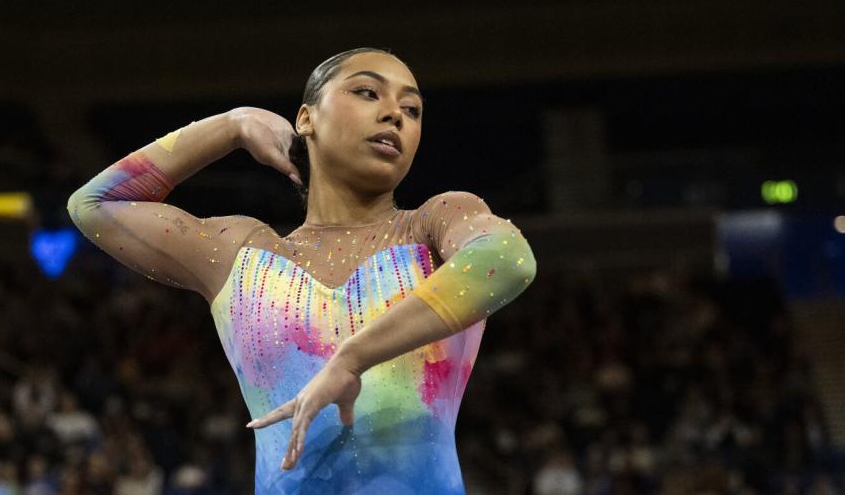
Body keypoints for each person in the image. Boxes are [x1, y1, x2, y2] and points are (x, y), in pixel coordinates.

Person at [67, 47, 537, 494]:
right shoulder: (240, 253)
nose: (395, 113)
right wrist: (233, 125)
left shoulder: (435, 224)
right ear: (306, 118)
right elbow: (93, 205)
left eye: (412, 109)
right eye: (368, 92)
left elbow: (509, 260)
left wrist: (352, 358)